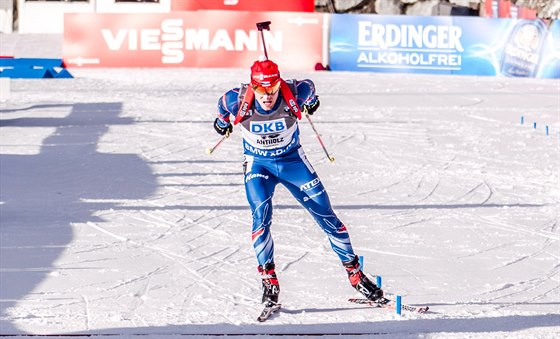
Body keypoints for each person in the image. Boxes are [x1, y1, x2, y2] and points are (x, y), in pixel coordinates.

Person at [213, 58, 383, 306]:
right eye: (261, 90)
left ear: (278, 84)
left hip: (293, 162)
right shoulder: (234, 99)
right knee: (261, 218)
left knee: (327, 215)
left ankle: (355, 274)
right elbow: (221, 111)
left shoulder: (295, 91)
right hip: (258, 165)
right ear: (253, 87)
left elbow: (311, 89)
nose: (267, 96)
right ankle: (269, 279)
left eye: (272, 89)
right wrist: (221, 124)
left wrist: (313, 104)